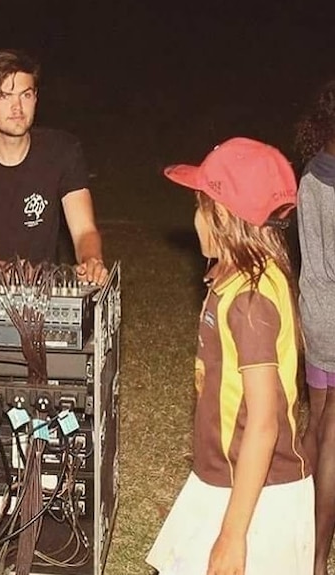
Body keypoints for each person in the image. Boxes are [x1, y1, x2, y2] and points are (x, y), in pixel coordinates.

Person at [147, 138, 313, 574]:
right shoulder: (239, 278)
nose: (196, 218)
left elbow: (262, 423)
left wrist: (233, 534)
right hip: (226, 477)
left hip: (258, 494)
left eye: (201, 207)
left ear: (221, 214)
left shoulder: (250, 299)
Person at [0, 49, 108, 285]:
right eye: (4, 96)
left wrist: (91, 260)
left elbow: (84, 231)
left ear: (36, 97)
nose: (17, 107)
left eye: (25, 95)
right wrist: (12, 274)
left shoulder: (63, 151)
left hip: (41, 293)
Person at [295, 79, 335, 575]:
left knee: (318, 421)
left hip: (316, 312)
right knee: (332, 439)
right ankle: (319, 558)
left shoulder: (312, 171)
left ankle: (292, 528)